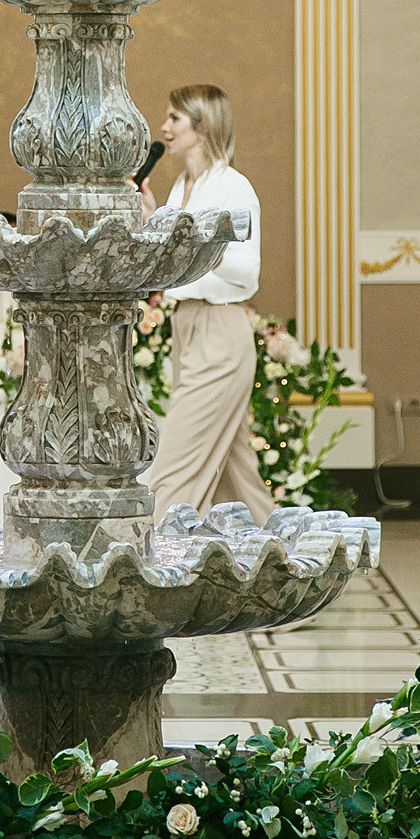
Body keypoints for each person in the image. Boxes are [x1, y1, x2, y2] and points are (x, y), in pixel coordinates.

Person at [140, 84, 273, 526]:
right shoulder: (181, 186)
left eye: (175, 118)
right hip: (188, 326)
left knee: (175, 463)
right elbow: (170, 264)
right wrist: (151, 222)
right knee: (236, 475)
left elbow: (246, 274)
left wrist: (193, 243)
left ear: (203, 125)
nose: (164, 127)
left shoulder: (235, 189)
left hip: (221, 330)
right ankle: (279, 561)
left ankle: (149, 559)